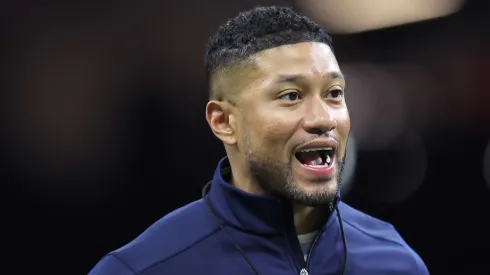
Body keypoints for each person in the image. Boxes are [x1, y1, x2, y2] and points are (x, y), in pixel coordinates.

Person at [89, 5, 429, 275]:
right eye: (291, 96)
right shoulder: (142, 268)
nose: (323, 118)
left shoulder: (396, 262)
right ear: (224, 122)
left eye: (334, 93)